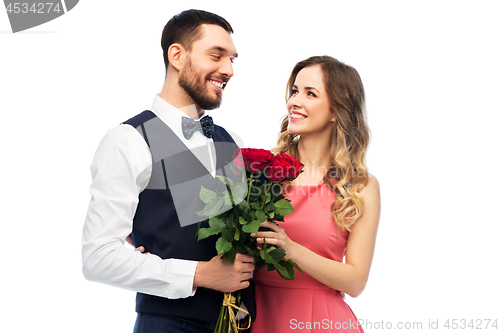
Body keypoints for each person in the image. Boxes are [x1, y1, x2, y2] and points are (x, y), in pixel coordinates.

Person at [81, 9, 255, 333]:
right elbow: (98, 257)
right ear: (177, 55)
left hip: (237, 325)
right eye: (216, 56)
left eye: (232, 59)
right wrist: (198, 274)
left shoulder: (232, 142)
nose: (228, 69)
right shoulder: (128, 141)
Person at [250, 56, 381, 332]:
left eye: (310, 94)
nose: (295, 101)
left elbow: (356, 281)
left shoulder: (360, 186)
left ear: (336, 110)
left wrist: (291, 249)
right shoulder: (260, 171)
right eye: (295, 91)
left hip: (320, 321)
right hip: (253, 315)